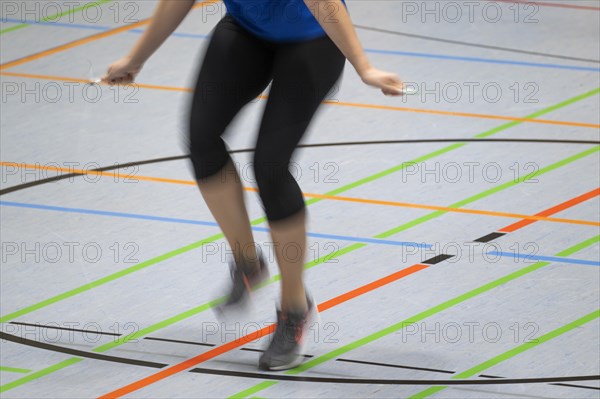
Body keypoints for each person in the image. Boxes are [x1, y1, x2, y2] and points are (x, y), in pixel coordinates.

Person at [103, 0, 406, 371]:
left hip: (313, 40)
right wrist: (137, 57)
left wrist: (365, 68)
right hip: (247, 31)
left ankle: (294, 308)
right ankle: (248, 263)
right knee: (202, 139)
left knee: (270, 166)